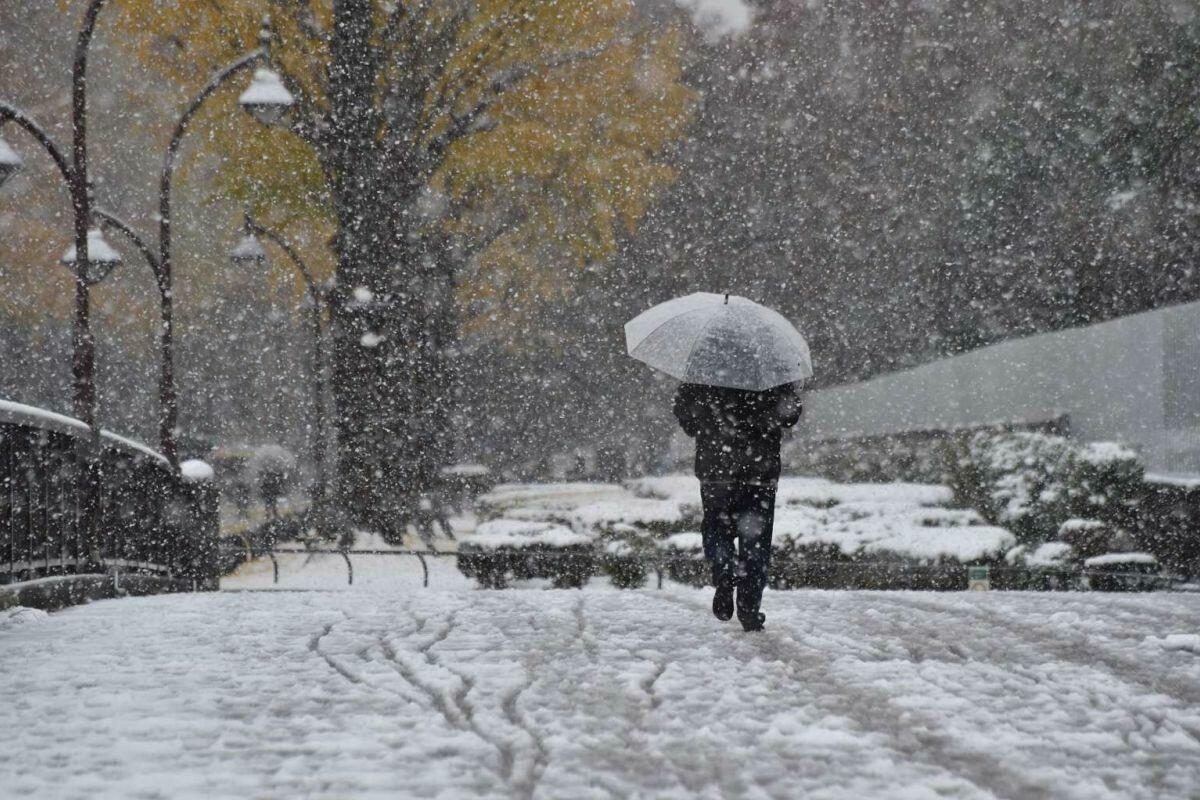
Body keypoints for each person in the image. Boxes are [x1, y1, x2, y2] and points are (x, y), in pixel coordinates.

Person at [673, 381, 803, 631]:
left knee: (716, 527)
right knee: (756, 541)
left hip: (716, 470)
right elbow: (789, 415)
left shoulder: (702, 370)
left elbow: (687, 420)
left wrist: (710, 417)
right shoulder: (771, 367)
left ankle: (724, 570)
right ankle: (749, 609)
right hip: (759, 472)